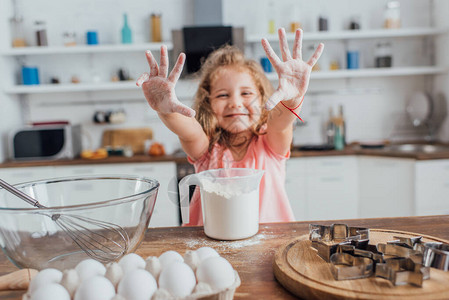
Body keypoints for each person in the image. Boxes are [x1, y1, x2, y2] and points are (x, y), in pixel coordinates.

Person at [137, 28, 324, 225]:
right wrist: (166, 110)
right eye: (222, 95)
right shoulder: (207, 149)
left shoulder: (270, 143)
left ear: (262, 99)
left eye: (246, 94)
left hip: (269, 245)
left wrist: (294, 99)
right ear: (209, 104)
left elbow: (280, 124)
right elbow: (189, 131)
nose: (235, 103)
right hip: (211, 247)